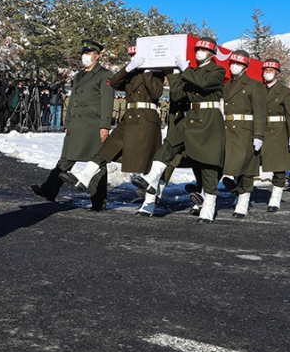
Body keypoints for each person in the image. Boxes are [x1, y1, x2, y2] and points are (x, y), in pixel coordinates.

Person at [61, 45, 164, 215]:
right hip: (129, 117)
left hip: (147, 117)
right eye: (130, 55)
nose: (132, 57)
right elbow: (114, 83)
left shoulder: (156, 72)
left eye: (135, 55)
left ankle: (149, 203)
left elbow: (156, 92)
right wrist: (129, 68)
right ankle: (84, 178)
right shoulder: (130, 71)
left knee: (148, 162)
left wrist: (147, 72)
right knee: (106, 149)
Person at [133, 37, 226, 223]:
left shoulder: (217, 70)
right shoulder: (190, 71)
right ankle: (151, 177)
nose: (199, 52)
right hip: (191, 116)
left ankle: (208, 206)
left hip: (209, 118)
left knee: (208, 163)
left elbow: (204, 83)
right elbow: (179, 95)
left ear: (211, 54)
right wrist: (175, 74)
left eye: (204, 50)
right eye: (198, 49)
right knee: (169, 144)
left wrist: (185, 70)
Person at [31, 40, 114, 211]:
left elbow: (107, 102)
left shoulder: (105, 75)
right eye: (83, 53)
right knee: (66, 158)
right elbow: (73, 100)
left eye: (89, 53)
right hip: (76, 123)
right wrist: (67, 122)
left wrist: (105, 125)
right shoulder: (79, 76)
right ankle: (49, 189)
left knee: (97, 163)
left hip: (93, 124)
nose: (85, 57)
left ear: (97, 56)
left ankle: (98, 201)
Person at [218, 50, 266, 219]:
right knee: (227, 164)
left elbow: (260, 111)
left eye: (238, 64)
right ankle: (236, 191)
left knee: (246, 168)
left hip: (246, 130)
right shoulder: (226, 85)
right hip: (227, 128)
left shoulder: (254, 85)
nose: (234, 67)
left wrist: (259, 134)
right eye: (232, 63)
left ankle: (243, 201)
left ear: (245, 67)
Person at [259, 59, 290, 213]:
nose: (267, 72)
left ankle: (275, 198)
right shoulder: (258, 89)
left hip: (278, 131)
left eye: (270, 70)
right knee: (248, 162)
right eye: (265, 70)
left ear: (277, 73)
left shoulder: (286, 92)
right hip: (260, 129)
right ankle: (241, 193)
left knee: (278, 167)